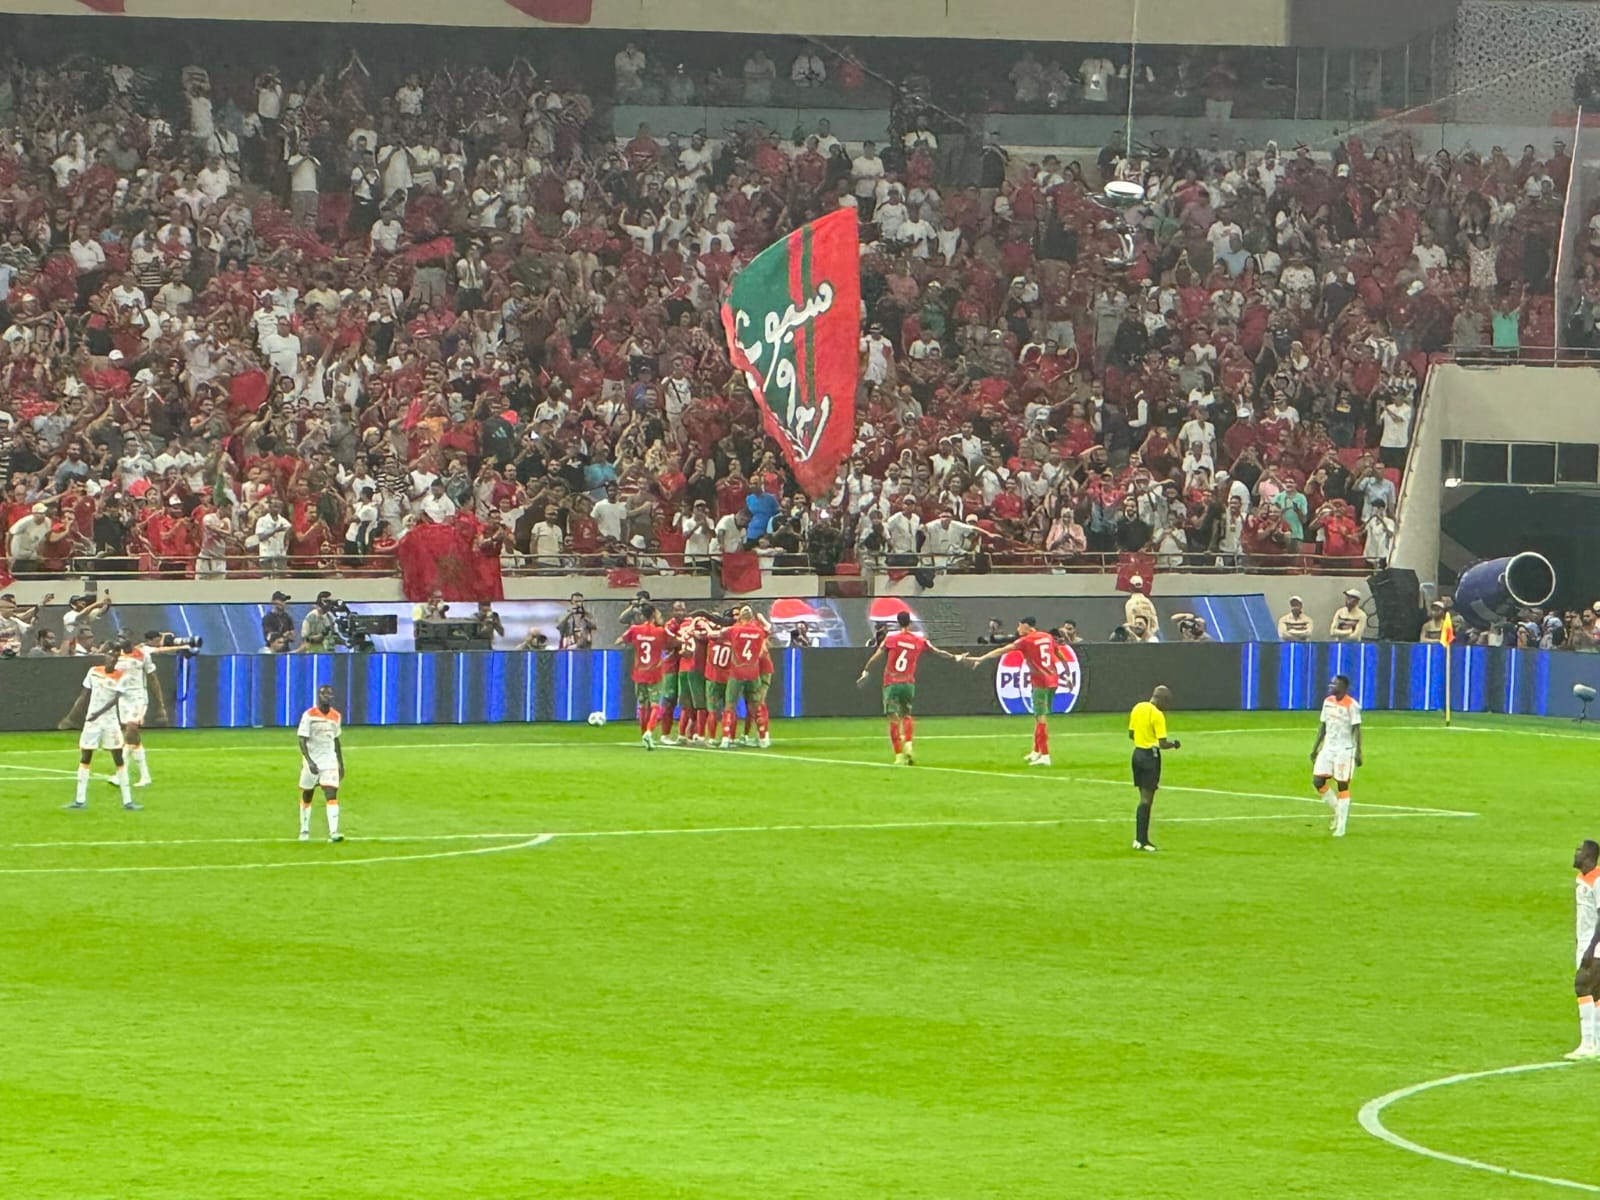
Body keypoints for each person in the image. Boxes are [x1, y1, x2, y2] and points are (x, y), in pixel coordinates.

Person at [856, 610, 962, 765]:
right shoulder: (919, 640)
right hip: (908, 683)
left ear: (898, 622)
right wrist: (955, 657)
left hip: (892, 683)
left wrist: (866, 670)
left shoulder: (891, 639)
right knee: (906, 715)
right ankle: (909, 744)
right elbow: (938, 652)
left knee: (893, 718)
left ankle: (899, 756)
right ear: (910, 623)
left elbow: (876, 656)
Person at [967, 616, 1064, 766]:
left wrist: (982, 658)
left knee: (1040, 718)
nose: (1018, 629)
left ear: (1026, 626)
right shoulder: (1047, 636)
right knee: (1039, 716)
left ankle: (1045, 755)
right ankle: (1036, 751)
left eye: (1019, 626)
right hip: (1053, 681)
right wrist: (1064, 665)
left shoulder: (1025, 641)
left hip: (1040, 682)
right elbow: (1058, 652)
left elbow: (1002, 650)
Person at [58, 650, 143, 812]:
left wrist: (97, 713)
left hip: (110, 722)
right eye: (110, 656)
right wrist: (71, 717)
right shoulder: (93, 672)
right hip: (92, 723)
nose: (112, 659)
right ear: (105, 657)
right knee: (85, 756)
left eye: (115, 657)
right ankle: (80, 799)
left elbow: (115, 700)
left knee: (118, 757)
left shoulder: (122, 677)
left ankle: (128, 800)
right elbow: (84, 695)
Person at [616, 603, 676, 750]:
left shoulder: (635, 629)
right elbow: (674, 642)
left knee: (642, 705)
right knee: (655, 705)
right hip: (655, 673)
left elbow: (619, 641)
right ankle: (649, 732)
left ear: (642, 615)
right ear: (654, 615)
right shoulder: (660, 632)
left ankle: (643, 735)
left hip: (639, 673)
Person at [1310, 673, 1363, 838]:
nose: (1331, 686)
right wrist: (1315, 748)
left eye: (1334, 684)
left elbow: (1357, 729)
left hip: (1344, 750)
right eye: (1331, 683)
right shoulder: (1327, 702)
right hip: (1328, 748)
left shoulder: (1352, 705)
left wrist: (1358, 751)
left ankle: (1341, 827)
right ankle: (1337, 811)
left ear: (1344, 687)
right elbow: (1323, 726)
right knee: (1318, 781)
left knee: (1342, 784)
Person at [1128, 685, 1180, 852]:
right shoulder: (1157, 715)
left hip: (1137, 754)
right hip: (1150, 757)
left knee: (1142, 798)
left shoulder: (1138, 707)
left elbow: (1131, 734)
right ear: (1162, 700)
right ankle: (1142, 840)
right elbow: (1162, 743)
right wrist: (1174, 744)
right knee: (1147, 799)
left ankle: (1138, 839)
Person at [111, 633, 166, 789]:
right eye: (118, 637)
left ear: (131, 639)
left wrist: (160, 704)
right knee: (131, 737)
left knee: (131, 729)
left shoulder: (143, 655)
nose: (120, 640)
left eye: (123, 637)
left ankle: (120, 774)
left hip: (138, 698)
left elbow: (152, 678)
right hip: (122, 699)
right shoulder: (116, 655)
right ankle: (145, 776)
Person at [297, 684, 345, 843]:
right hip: (312, 760)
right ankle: (304, 829)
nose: (327, 697)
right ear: (319, 696)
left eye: (329, 695)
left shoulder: (336, 716)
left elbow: (336, 739)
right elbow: (302, 739)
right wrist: (309, 761)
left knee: (331, 793)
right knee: (307, 794)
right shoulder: (309, 715)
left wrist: (340, 763)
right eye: (324, 695)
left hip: (329, 760)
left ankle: (334, 832)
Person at [720, 606, 771, 749]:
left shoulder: (734, 630)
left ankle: (725, 738)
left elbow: (715, 634)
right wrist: (761, 618)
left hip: (737, 672)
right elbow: (768, 629)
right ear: (752, 617)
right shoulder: (759, 631)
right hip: (753, 672)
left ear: (740, 617)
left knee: (730, 705)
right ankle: (763, 738)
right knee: (757, 705)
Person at [1567, 839, 1600, 1059]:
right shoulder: (1583, 878)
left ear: (1589, 856)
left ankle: (1588, 1044)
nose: (1575, 854)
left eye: (1579, 850)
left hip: (1595, 944)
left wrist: (1591, 948)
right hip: (1587, 942)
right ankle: (1597, 1043)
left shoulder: (1598, 881)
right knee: (1596, 992)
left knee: (1582, 985)